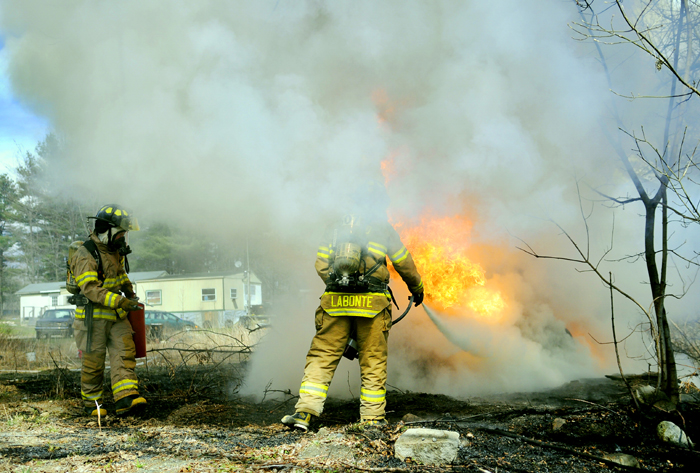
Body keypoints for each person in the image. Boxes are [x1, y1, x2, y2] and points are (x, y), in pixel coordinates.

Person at [282, 206, 424, 430]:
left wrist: (339, 286)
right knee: (373, 361)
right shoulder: (381, 228)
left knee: (322, 357)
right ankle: (372, 418)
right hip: (373, 306)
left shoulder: (335, 227)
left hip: (335, 305)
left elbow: (321, 264)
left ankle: (304, 413)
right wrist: (417, 286)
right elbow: (402, 262)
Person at [70, 204, 146, 417]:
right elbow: (90, 289)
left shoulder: (113, 252)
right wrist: (121, 302)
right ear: (108, 230)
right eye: (121, 233)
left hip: (115, 315)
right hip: (92, 319)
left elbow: (119, 275)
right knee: (93, 363)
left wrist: (129, 293)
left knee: (125, 354)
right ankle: (93, 404)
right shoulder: (86, 254)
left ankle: (126, 398)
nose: (123, 238)